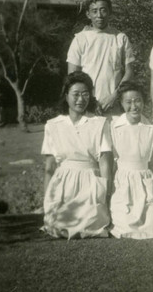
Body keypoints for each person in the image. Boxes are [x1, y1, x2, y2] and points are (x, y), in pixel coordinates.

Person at [42, 71, 111, 239]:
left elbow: (105, 163)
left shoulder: (100, 123)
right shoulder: (53, 125)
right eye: (76, 94)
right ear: (66, 96)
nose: (81, 99)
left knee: (90, 224)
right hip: (63, 185)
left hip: (90, 184)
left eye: (85, 94)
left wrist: (106, 195)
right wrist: (47, 201)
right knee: (57, 225)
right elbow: (50, 166)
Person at [109, 81, 153, 239]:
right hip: (122, 182)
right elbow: (112, 162)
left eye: (137, 100)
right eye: (128, 102)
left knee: (152, 226)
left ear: (143, 101)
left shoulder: (152, 128)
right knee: (124, 225)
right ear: (121, 103)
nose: (134, 106)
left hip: (145, 181)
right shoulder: (113, 126)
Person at [67, 0, 135, 115]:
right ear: (88, 14)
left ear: (110, 12)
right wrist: (91, 101)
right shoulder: (80, 39)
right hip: (88, 106)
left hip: (115, 105)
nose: (99, 15)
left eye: (103, 10)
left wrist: (114, 96)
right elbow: (73, 77)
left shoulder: (120, 38)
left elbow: (129, 72)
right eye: (94, 11)